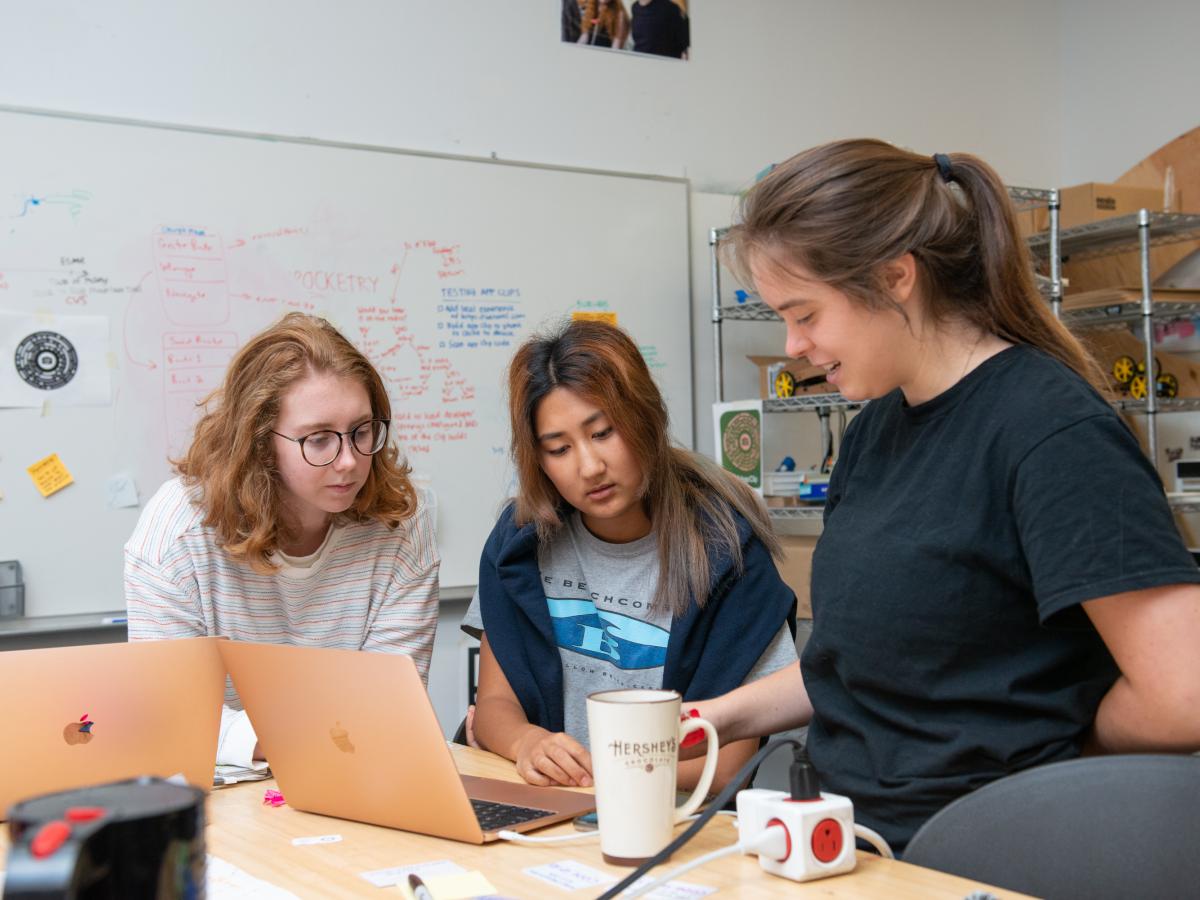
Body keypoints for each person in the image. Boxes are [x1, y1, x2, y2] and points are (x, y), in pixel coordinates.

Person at [681, 138, 1200, 853]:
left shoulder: (1051, 433)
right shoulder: (874, 432)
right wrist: (715, 719)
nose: (793, 346)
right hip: (849, 842)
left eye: (805, 314)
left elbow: (1182, 694)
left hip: (978, 852)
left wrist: (1058, 752)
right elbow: (859, 660)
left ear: (895, 277)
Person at [463, 319, 797, 792]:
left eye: (602, 433)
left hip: (669, 820)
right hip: (552, 813)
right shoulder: (519, 543)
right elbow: (494, 705)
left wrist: (592, 777)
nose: (589, 467)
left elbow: (725, 767)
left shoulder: (727, 552)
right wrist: (526, 744)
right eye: (559, 448)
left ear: (645, 418)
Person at [125, 312, 440, 767]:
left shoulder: (401, 525)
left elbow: (391, 706)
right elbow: (166, 712)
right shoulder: (177, 531)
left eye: (362, 431)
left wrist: (330, 735)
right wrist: (300, 737)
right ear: (258, 441)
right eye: (318, 440)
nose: (350, 461)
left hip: (348, 771)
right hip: (218, 785)